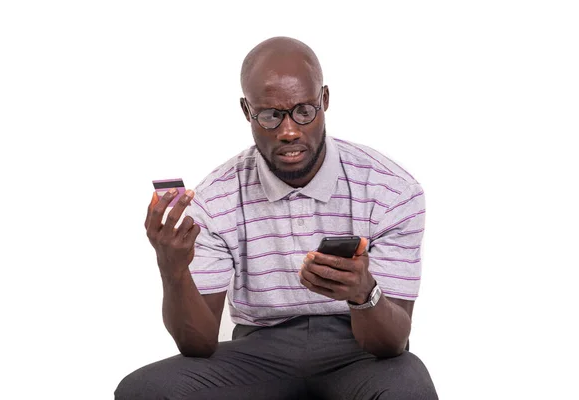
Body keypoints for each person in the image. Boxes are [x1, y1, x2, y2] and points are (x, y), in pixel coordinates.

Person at [115, 37, 438, 400]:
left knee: (407, 387)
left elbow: (392, 343)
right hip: (260, 353)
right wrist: (172, 269)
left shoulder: (391, 189)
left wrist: (363, 294)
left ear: (325, 100)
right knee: (142, 391)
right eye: (270, 115)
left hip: (359, 351)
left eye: (304, 111)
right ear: (246, 111)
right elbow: (199, 345)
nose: (289, 131)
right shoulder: (216, 196)